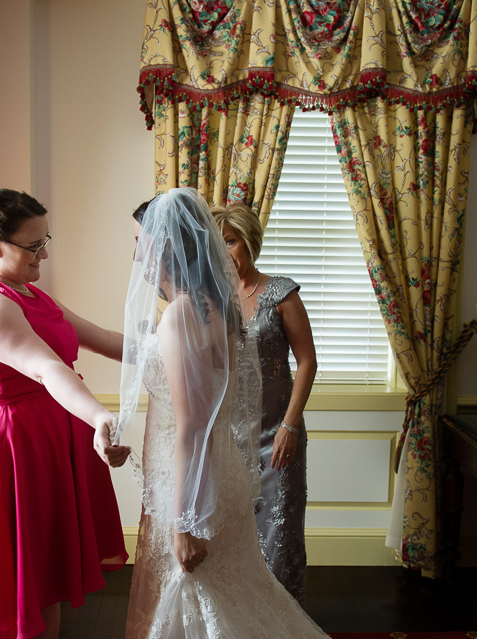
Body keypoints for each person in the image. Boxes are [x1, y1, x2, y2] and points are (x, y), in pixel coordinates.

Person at [114, 188, 328, 638]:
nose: (136, 255)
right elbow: (144, 357)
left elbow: (191, 427)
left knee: (207, 588)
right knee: (236, 584)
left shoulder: (187, 313)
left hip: (201, 471)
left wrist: (183, 525)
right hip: (220, 461)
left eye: (141, 241)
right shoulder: (219, 307)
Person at [0, 188, 130, 639]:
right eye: (33, 245)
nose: (44, 253)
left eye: (47, 240)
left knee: (45, 583)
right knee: (18, 586)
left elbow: (100, 336)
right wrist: (100, 416)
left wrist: (178, 349)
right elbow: (47, 369)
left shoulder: (29, 294)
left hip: (45, 441)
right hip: (11, 450)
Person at [210, 203, 317, 604]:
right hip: (229, 438)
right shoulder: (209, 301)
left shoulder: (280, 293)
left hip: (278, 437)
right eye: (216, 246)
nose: (226, 254)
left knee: (279, 534)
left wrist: (290, 426)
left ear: (248, 241)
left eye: (231, 241)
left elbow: (307, 361)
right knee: (231, 534)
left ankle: (284, 619)